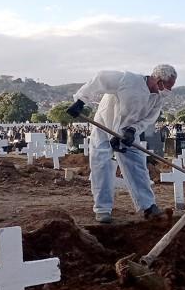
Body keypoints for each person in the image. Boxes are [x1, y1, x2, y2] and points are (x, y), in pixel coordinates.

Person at [67, 65, 177, 223]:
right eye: (168, 86)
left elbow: (149, 119)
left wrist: (133, 130)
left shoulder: (157, 98)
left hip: (127, 132)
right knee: (102, 162)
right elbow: (101, 77)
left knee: (137, 164)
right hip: (105, 124)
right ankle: (103, 209)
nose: (169, 91)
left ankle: (148, 206)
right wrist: (81, 100)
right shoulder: (128, 80)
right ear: (159, 81)